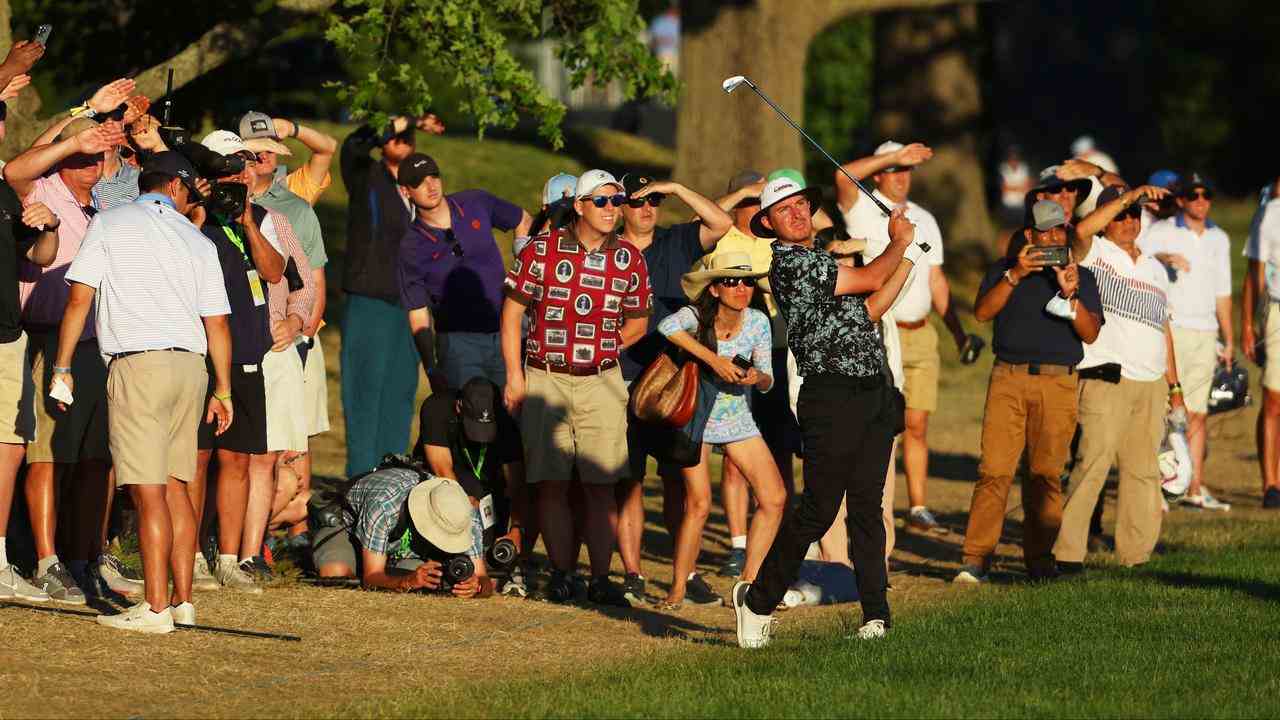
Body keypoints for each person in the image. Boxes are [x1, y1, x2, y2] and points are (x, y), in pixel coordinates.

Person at [731, 175, 919, 647]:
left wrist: (909, 257)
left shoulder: (819, 260)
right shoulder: (791, 264)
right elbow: (872, 277)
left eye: (801, 204)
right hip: (830, 397)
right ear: (770, 224)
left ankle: (876, 614)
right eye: (784, 210)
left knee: (867, 508)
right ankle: (756, 601)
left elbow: (871, 308)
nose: (796, 213)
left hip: (872, 390)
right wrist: (897, 244)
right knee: (818, 510)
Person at [56, 151, 233, 633]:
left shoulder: (112, 223)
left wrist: (63, 364)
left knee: (148, 490)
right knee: (178, 487)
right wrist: (224, 390)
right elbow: (217, 323)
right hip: (191, 367)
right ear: (175, 188)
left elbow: (79, 298)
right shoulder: (196, 238)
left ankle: (155, 609)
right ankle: (183, 603)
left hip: (139, 363)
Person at [501, 169, 652, 607]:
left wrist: (604, 348)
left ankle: (602, 578)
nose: (612, 209)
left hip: (602, 380)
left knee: (601, 484)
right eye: (602, 201)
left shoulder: (629, 258)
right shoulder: (540, 251)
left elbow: (639, 321)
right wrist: (515, 375)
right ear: (581, 206)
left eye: (617, 201)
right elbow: (512, 315)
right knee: (550, 482)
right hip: (545, 376)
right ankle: (564, 573)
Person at [4, 117, 132, 601]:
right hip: (47, 338)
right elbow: (18, 169)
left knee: (94, 458)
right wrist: (74, 130)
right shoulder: (44, 189)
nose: (91, 163)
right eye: (81, 154)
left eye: (98, 155)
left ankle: (83, 556)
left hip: (96, 343)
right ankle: (45, 559)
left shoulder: (104, 204)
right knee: (48, 457)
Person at [955, 200, 1103, 584]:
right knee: (994, 471)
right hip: (1009, 377)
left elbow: (1090, 333)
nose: (1051, 238)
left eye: (1058, 231)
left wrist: (1070, 295)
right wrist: (1015, 274)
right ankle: (976, 559)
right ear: (1028, 235)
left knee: (1045, 475)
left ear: (1067, 233)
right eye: (1043, 232)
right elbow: (983, 313)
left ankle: (1039, 561)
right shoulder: (1004, 270)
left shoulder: (1082, 277)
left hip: (1058, 381)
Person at [837, 140, 981, 534]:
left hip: (922, 334)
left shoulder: (924, 218)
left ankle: (917, 506)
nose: (903, 178)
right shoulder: (861, 207)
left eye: (907, 171)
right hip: (881, 334)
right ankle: (872, 505)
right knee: (882, 426)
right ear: (881, 172)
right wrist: (894, 156)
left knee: (917, 424)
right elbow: (841, 175)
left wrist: (957, 332)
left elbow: (935, 278)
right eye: (896, 170)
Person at [1053, 184, 1183, 569]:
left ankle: (1136, 553)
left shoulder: (1156, 268)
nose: (1129, 220)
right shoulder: (1095, 252)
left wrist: (1173, 387)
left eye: (1135, 214)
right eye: (1121, 214)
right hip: (1106, 376)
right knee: (1091, 464)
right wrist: (1128, 196)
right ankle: (1068, 553)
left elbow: (1164, 329)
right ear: (1108, 217)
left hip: (1151, 381)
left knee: (1143, 471)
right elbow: (1078, 231)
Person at [616, 172, 731, 604]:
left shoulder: (674, 241)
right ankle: (632, 574)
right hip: (624, 373)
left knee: (677, 479)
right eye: (638, 201)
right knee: (628, 480)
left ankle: (688, 571)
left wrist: (680, 189)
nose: (647, 209)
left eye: (654, 201)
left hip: (673, 378)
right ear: (621, 206)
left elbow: (720, 224)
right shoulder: (609, 248)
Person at [655, 251, 785, 608]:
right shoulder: (696, 316)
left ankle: (748, 582)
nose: (741, 288)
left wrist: (756, 377)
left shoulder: (758, 321)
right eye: (730, 281)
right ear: (713, 289)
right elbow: (666, 327)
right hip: (696, 420)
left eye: (746, 281)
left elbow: (768, 379)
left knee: (774, 498)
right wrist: (713, 359)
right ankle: (678, 589)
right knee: (698, 505)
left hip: (738, 421)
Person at [193, 130, 286, 592]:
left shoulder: (258, 217)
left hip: (248, 359)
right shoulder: (195, 218)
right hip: (204, 360)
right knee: (196, 458)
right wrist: (204, 203)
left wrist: (247, 221)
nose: (237, 177)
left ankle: (228, 558)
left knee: (238, 461)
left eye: (242, 168)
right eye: (227, 169)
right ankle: (189, 552)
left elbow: (273, 272)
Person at [339, 113, 444, 478]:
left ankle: (391, 480)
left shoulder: (424, 192)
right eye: (395, 136)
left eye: (409, 137)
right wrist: (408, 117)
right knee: (364, 390)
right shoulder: (366, 176)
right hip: (370, 299)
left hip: (411, 307)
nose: (402, 142)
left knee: (401, 393)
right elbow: (353, 146)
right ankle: (360, 480)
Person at [241, 121, 330, 548]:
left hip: (290, 339)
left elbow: (311, 278)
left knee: (294, 444)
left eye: (272, 151)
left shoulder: (294, 206)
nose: (267, 158)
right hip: (245, 342)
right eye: (258, 151)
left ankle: (290, 533)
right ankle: (263, 531)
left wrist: (302, 329)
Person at [710, 170, 795, 580]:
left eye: (764, 203)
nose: (757, 210)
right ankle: (738, 544)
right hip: (739, 349)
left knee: (779, 449)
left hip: (779, 351)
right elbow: (701, 222)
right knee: (733, 458)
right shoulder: (727, 238)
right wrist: (739, 192)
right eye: (751, 202)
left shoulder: (780, 241)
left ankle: (778, 529)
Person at [397, 152, 532, 391]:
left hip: (506, 331)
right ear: (406, 191)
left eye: (434, 176)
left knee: (516, 417)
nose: (430, 186)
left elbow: (522, 219)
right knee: (475, 418)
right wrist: (430, 367)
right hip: (458, 344)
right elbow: (417, 312)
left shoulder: (475, 202)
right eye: (419, 182)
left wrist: (522, 273)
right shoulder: (411, 246)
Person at [1139, 173, 1233, 511]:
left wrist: (1230, 337)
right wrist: (1164, 258)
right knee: (1166, 412)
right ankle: (1157, 485)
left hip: (1206, 331)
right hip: (1173, 329)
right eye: (1193, 195)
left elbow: (1224, 292)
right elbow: (1140, 263)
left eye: (1206, 195)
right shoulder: (1161, 232)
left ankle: (1193, 487)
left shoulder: (1219, 239)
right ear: (1181, 201)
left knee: (1198, 414)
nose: (1201, 201)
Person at [0, 175, 59, 602]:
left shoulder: (3, 190)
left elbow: (38, 256)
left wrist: (50, 228)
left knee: (10, 448)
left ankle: (0, 563)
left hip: (6, 336)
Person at [414, 377, 525, 596]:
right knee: (464, 497)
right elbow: (442, 470)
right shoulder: (436, 408)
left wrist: (516, 531)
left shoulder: (505, 423)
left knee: (498, 503)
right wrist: (464, 508)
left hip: (486, 482)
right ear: (459, 407)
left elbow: (518, 483)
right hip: (442, 482)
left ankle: (506, 565)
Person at [312, 460, 487, 598]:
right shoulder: (385, 504)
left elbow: (485, 580)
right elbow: (371, 577)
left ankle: (387, 566)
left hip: (399, 551)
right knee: (336, 574)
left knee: (431, 584)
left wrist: (476, 587)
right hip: (348, 530)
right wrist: (407, 582)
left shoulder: (463, 513)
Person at [1242, 175, 1280, 509]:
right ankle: (1271, 484)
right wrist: (1248, 324)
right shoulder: (1270, 214)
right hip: (1277, 311)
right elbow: (1253, 276)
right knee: (1272, 398)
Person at [238, 112, 340, 206]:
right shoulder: (229, 188)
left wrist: (291, 128)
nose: (264, 156)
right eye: (256, 151)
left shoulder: (293, 189)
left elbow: (328, 148)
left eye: (270, 147)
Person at [998, 146, 1033, 230]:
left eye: (1015, 159)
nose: (1013, 161)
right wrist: (1020, 187)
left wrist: (1012, 187)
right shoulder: (1003, 169)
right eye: (1011, 159)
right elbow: (1004, 188)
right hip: (1008, 205)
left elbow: (1028, 185)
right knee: (1008, 229)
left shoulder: (1024, 168)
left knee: (1022, 229)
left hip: (1021, 204)